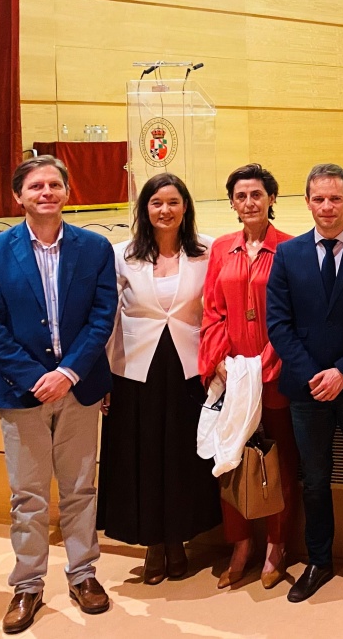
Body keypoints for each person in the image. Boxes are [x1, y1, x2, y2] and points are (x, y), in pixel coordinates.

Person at [0, 156, 117, 633]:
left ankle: (83, 575)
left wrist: (70, 372)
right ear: (19, 196)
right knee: (28, 495)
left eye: (55, 184)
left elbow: (102, 317)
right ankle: (28, 585)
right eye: (36, 186)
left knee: (79, 489)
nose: (46, 192)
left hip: (80, 388)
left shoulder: (95, 248)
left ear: (68, 192)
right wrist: (39, 377)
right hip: (21, 391)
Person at [265, 164, 343, 604]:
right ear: (307, 202)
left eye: (335, 198)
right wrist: (315, 374)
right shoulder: (289, 254)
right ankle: (319, 560)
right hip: (307, 389)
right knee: (315, 480)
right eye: (319, 199)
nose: (327, 207)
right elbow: (278, 325)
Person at [98, 173, 220, 585]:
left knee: (184, 458)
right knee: (143, 457)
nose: (164, 210)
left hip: (189, 369)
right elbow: (108, 318)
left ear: (185, 206)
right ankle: (152, 542)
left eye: (173, 202)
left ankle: (177, 541)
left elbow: (215, 310)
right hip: (135, 371)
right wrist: (102, 378)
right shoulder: (122, 254)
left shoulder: (207, 250)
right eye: (156, 203)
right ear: (144, 209)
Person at [199, 163, 299, 589]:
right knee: (231, 461)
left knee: (278, 463)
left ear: (272, 198)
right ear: (233, 203)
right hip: (232, 376)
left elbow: (292, 315)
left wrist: (265, 363)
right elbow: (211, 309)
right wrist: (221, 359)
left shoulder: (291, 249)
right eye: (240, 196)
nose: (249, 203)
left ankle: (277, 545)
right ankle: (240, 543)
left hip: (272, 374)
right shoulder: (221, 249)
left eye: (257, 194)